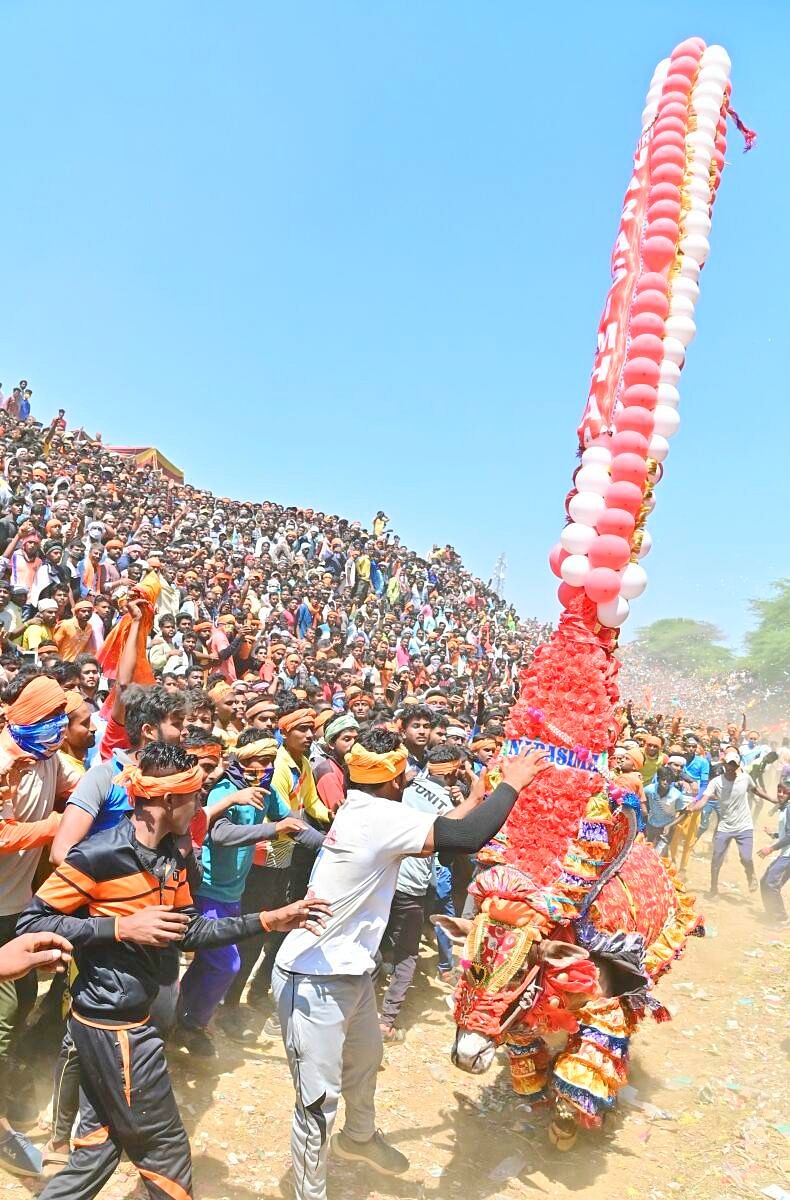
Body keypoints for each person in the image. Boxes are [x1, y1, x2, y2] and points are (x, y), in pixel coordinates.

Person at [17, 741, 331, 1200]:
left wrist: (269, 919)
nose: (201, 807)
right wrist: (120, 927)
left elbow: (188, 932)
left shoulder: (173, 858)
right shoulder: (97, 855)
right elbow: (32, 923)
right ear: (167, 801)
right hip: (115, 1026)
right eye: (196, 797)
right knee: (165, 1155)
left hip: (137, 1019)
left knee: (97, 1150)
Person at [271, 730, 549, 1200]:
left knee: (363, 1065)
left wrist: (479, 795)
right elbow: (465, 837)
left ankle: (358, 1139)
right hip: (313, 978)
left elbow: (439, 829)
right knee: (317, 1102)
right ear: (397, 776)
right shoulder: (379, 817)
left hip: (349, 971)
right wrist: (513, 785)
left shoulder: (364, 808)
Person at [176, 730, 317, 1053]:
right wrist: (273, 829)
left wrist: (332, 848)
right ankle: (194, 1023)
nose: (265, 768)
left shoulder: (265, 791)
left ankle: (183, 1017)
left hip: (233, 891)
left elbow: (292, 824)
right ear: (242, 759)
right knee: (227, 964)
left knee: (208, 963)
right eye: (259, 761)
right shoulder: (224, 789)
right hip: (209, 888)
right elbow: (222, 834)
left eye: (270, 762)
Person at [693, 747, 756, 898]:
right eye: (728, 764)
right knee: (716, 858)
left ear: (738, 766)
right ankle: (713, 888)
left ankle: (751, 874)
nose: (730, 767)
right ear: (724, 765)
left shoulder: (745, 778)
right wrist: (692, 808)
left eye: (734, 765)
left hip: (744, 826)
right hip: (725, 826)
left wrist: (774, 801)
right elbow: (704, 800)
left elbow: (756, 790)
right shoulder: (716, 782)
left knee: (746, 857)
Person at [758, 764, 790, 928]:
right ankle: (773, 914)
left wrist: (771, 848)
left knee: (770, 883)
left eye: (785, 792)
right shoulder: (784, 808)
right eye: (779, 790)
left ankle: (781, 918)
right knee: (766, 882)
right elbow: (787, 832)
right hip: (785, 852)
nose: (781, 794)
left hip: (788, 855)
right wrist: (775, 835)